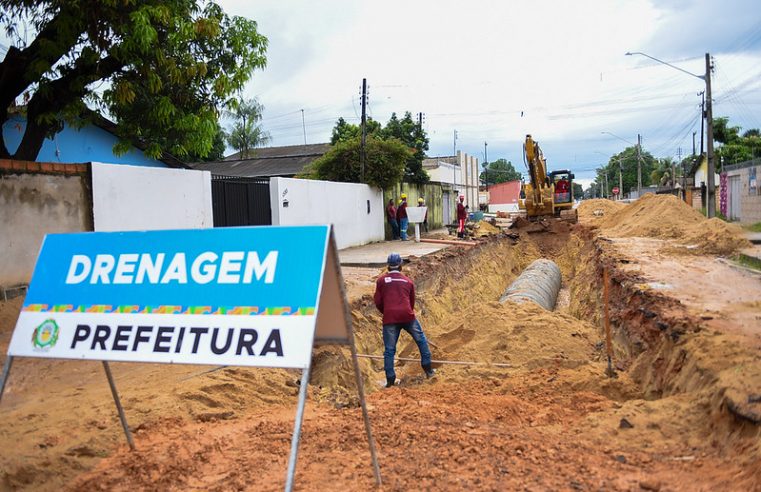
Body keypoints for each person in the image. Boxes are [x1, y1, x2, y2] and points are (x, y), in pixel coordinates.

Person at [374, 253, 435, 388]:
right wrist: (404, 312)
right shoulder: (408, 281)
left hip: (390, 318)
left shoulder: (381, 281)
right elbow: (411, 302)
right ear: (400, 266)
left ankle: (390, 380)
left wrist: (388, 311)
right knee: (421, 340)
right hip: (407, 316)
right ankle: (428, 370)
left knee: (390, 350)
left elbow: (377, 301)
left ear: (388, 266)